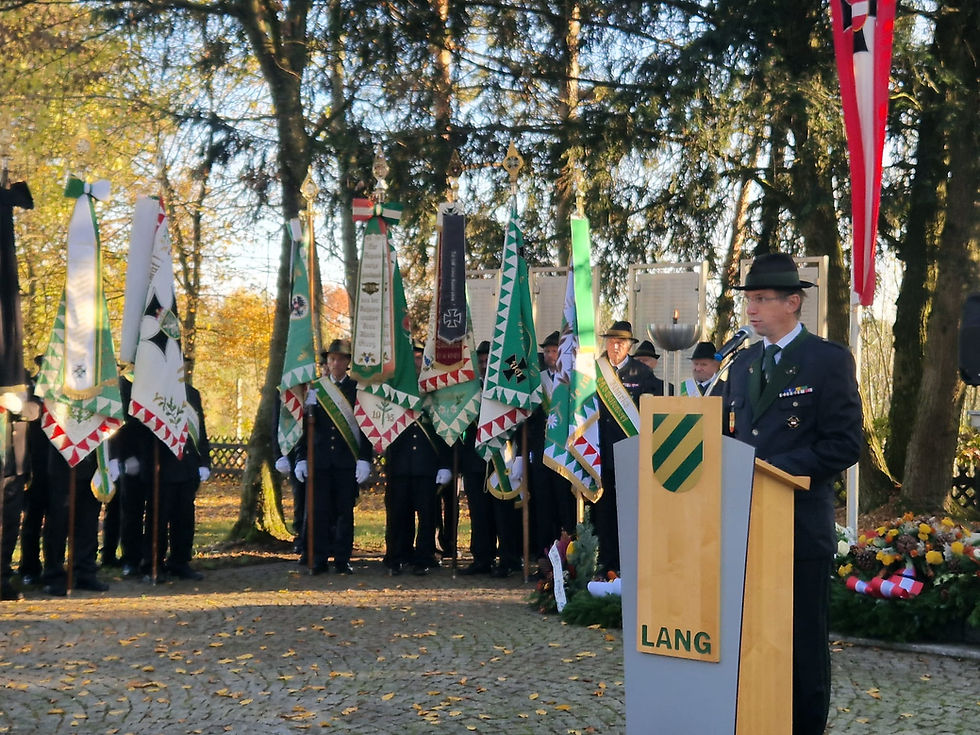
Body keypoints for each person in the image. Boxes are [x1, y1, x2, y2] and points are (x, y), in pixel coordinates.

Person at [723, 252, 862, 735]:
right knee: (752, 640)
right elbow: (727, 439)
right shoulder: (741, 367)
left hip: (799, 528)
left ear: (793, 302)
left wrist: (770, 469)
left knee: (802, 644)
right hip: (746, 526)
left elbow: (845, 444)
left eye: (762, 300)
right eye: (749, 300)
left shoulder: (827, 360)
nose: (751, 310)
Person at [294, 340, 372, 575]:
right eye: (331, 359)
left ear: (348, 362)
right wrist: (300, 457)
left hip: (346, 461)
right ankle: (318, 558)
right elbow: (304, 427)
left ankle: (342, 559)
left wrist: (365, 458)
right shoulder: (315, 389)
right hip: (320, 461)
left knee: (344, 512)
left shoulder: (359, 389)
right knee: (319, 512)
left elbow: (366, 426)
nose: (335, 363)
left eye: (339, 359)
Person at [594, 320, 660, 573]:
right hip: (600, 453)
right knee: (604, 510)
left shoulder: (642, 374)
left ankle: (629, 561)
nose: (615, 346)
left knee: (630, 511)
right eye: (611, 342)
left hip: (631, 453)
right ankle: (606, 561)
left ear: (629, 346)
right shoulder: (594, 372)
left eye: (620, 342)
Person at [383, 345, 451, 576]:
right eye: (411, 358)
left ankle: (424, 556)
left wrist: (445, 463)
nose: (415, 362)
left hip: (427, 465)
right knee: (399, 514)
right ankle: (398, 556)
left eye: (419, 358)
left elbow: (445, 429)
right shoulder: (395, 389)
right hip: (400, 464)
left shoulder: (435, 391)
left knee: (427, 515)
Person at [527, 330, 576, 561]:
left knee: (564, 503)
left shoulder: (570, 380)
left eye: (554, 350)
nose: (549, 355)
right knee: (543, 504)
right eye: (546, 351)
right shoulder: (537, 381)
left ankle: (569, 554)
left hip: (564, 450)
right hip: (540, 450)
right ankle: (545, 554)